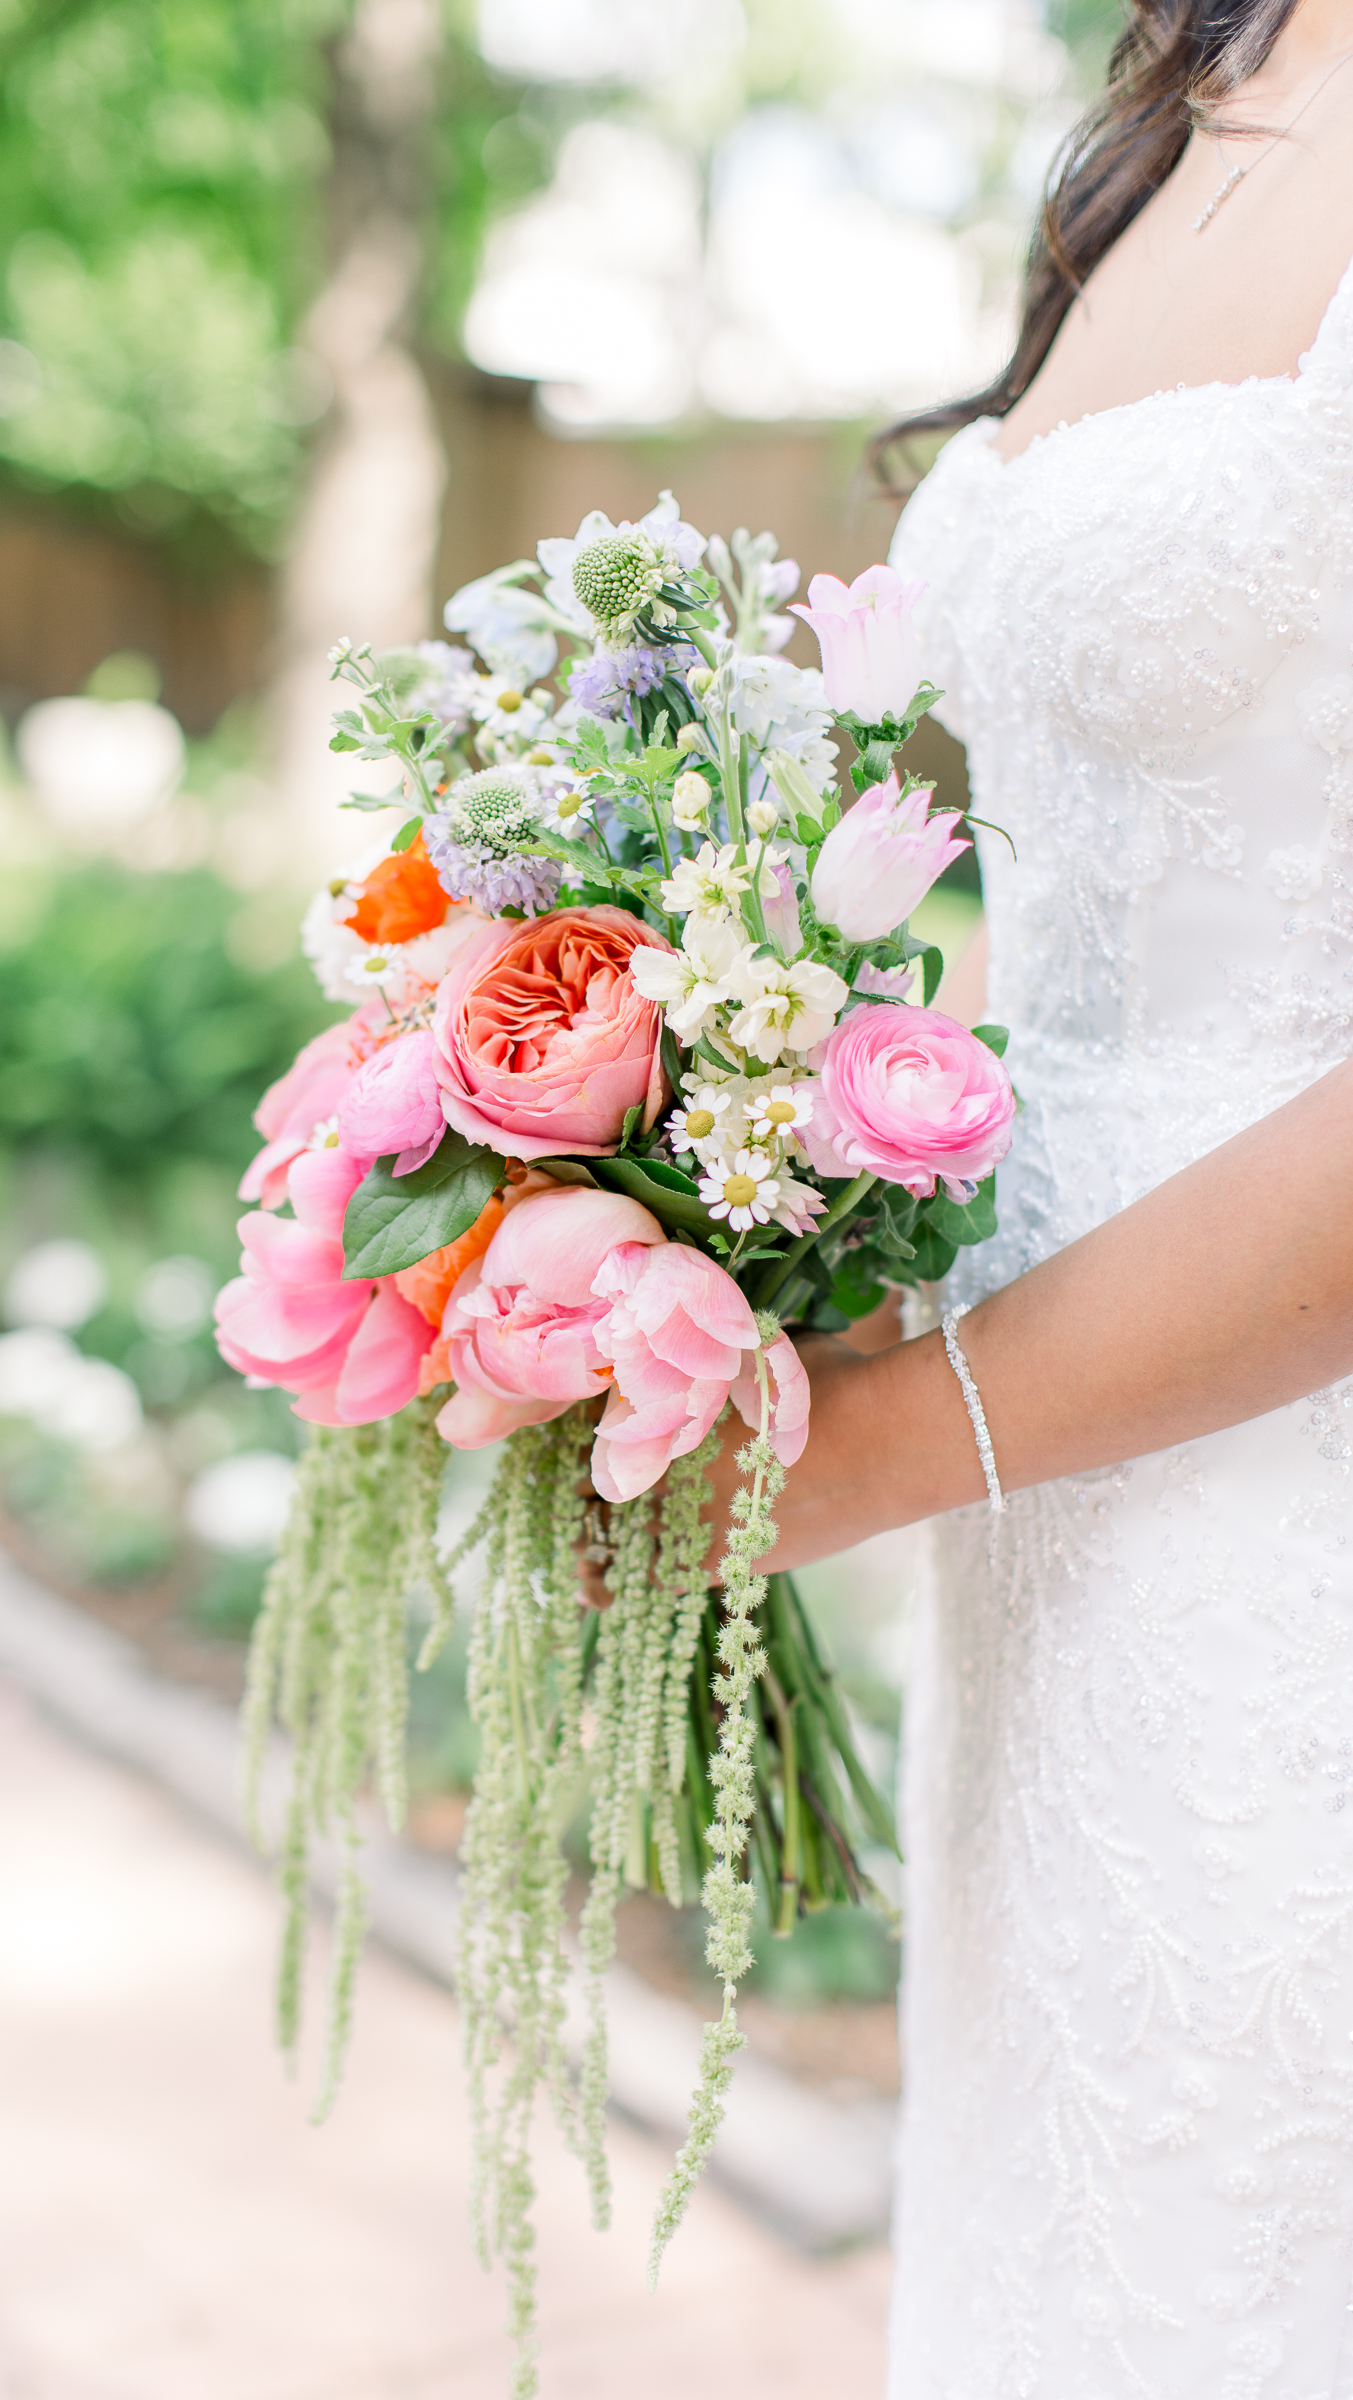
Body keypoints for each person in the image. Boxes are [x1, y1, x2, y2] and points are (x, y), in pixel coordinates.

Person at [747, 3, 1353, 2390]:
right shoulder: (1198, 72)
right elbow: (1098, 893)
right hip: (1051, 1521)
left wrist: (883, 1443)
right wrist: (767, 1193)